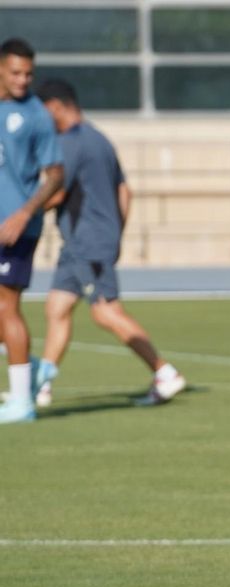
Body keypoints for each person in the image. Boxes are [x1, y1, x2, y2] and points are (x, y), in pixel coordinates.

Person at [31, 79, 185, 408]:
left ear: (56, 106)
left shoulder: (71, 143)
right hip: (84, 242)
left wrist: (20, 214)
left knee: (104, 312)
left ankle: (164, 371)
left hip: (87, 242)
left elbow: (55, 192)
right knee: (57, 308)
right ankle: (40, 385)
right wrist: (116, 233)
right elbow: (125, 192)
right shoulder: (99, 138)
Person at [0, 37, 62, 424]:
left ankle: (22, 402)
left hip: (13, 228)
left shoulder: (37, 116)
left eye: (29, 74)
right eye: (16, 73)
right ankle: (30, 365)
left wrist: (24, 214)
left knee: (6, 307)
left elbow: (56, 175)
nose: (23, 80)